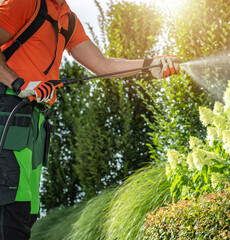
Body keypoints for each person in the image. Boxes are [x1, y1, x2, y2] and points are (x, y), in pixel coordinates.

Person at [0, 0, 180, 239]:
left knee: (24, 214)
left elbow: (102, 65)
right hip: (7, 112)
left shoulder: (68, 19)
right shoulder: (25, 2)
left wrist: (150, 65)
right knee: (9, 209)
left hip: (35, 123)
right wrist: (18, 82)